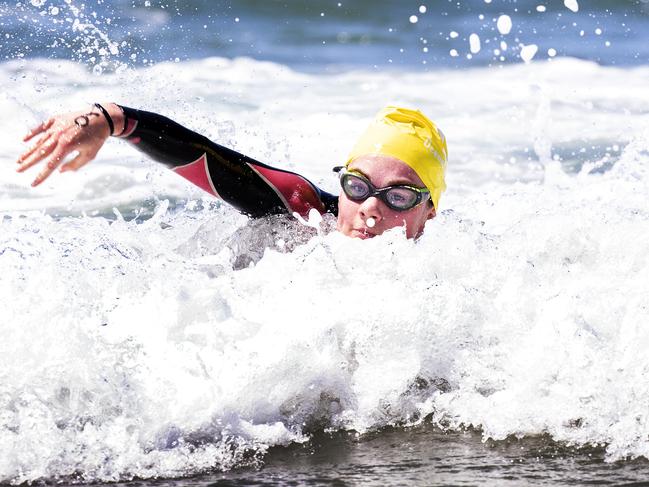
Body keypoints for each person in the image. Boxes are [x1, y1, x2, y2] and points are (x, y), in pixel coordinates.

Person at [16, 103, 447, 239]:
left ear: (428, 211)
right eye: (357, 185)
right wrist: (112, 119)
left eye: (399, 196)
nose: (370, 208)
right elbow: (210, 158)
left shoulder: (461, 273)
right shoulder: (308, 213)